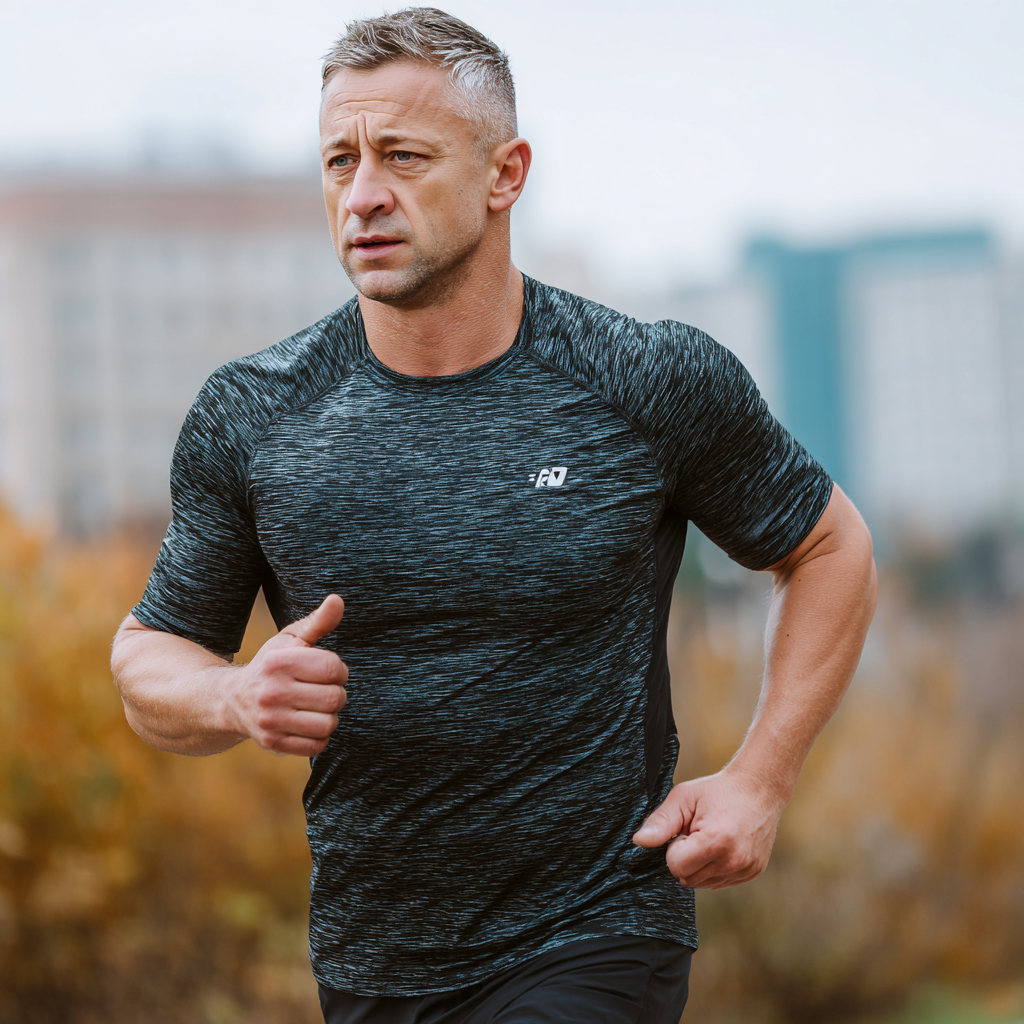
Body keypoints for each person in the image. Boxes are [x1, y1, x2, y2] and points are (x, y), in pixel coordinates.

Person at [111, 8, 877, 1023]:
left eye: (403, 156)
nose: (364, 194)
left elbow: (829, 546)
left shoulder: (642, 379)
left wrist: (760, 779)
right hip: (372, 958)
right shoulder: (257, 414)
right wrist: (235, 694)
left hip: (599, 928)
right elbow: (149, 656)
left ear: (505, 174)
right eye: (339, 160)